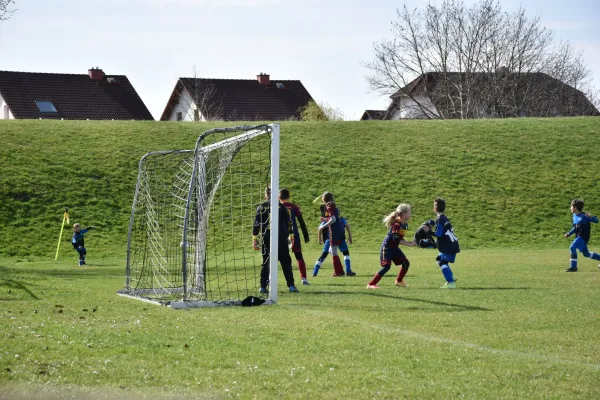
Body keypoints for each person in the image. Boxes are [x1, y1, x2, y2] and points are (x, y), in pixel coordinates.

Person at [252, 187, 298, 293]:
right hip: (280, 237)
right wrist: (291, 236)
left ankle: (263, 286)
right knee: (285, 261)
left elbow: (256, 224)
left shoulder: (261, 207)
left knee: (266, 261)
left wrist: (254, 239)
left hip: (266, 237)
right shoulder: (281, 206)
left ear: (266, 195)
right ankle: (291, 286)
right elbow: (289, 221)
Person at [367, 204, 416, 289]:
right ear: (404, 214)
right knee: (386, 267)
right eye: (409, 212)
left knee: (406, 263)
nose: (410, 214)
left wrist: (410, 242)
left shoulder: (405, 224)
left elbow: (400, 237)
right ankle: (371, 284)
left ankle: (399, 281)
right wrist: (409, 244)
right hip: (387, 247)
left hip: (394, 247)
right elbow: (395, 239)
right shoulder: (397, 224)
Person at [312, 204, 356, 276]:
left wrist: (319, 239)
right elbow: (347, 226)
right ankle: (348, 270)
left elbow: (320, 229)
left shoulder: (328, 219)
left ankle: (315, 271)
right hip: (339, 238)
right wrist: (350, 237)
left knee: (324, 255)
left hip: (330, 239)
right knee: (346, 253)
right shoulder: (340, 219)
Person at [279, 188, 311, 285]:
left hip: (281, 235)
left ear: (279, 197)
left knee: (279, 257)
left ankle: (270, 279)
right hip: (294, 234)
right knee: (299, 256)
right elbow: (301, 221)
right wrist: (306, 236)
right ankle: (304, 278)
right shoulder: (294, 207)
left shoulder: (277, 207)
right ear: (289, 196)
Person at [564, 198, 600, 272]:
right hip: (579, 237)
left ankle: (573, 267)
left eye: (571, 206)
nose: (570, 208)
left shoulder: (584, 216)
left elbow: (597, 221)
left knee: (572, 247)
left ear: (575, 207)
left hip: (583, 237)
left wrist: (591, 217)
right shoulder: (574, 216)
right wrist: (569, 234)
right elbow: (575, 228)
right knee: (586, 254)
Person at [317, 192, 347, 276]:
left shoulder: (329, 207)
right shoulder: (333, 205)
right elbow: (334, 218)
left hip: (335, 230)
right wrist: (325, 220)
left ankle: (338, 272)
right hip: (339, 229)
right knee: (332, 250)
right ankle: (340, 271)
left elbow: (333, 220)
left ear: (324, 199)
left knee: (333, 251)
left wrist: (323, 227)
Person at [434, 198, 460, 289]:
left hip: (448, 246)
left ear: (434, 209)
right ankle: (451, 276)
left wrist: (429, 232)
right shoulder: (444, 218)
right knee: (439, 259)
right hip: (452, 244)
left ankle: (451, 282)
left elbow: (439, 234)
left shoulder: (439, 219)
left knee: (441, 261)